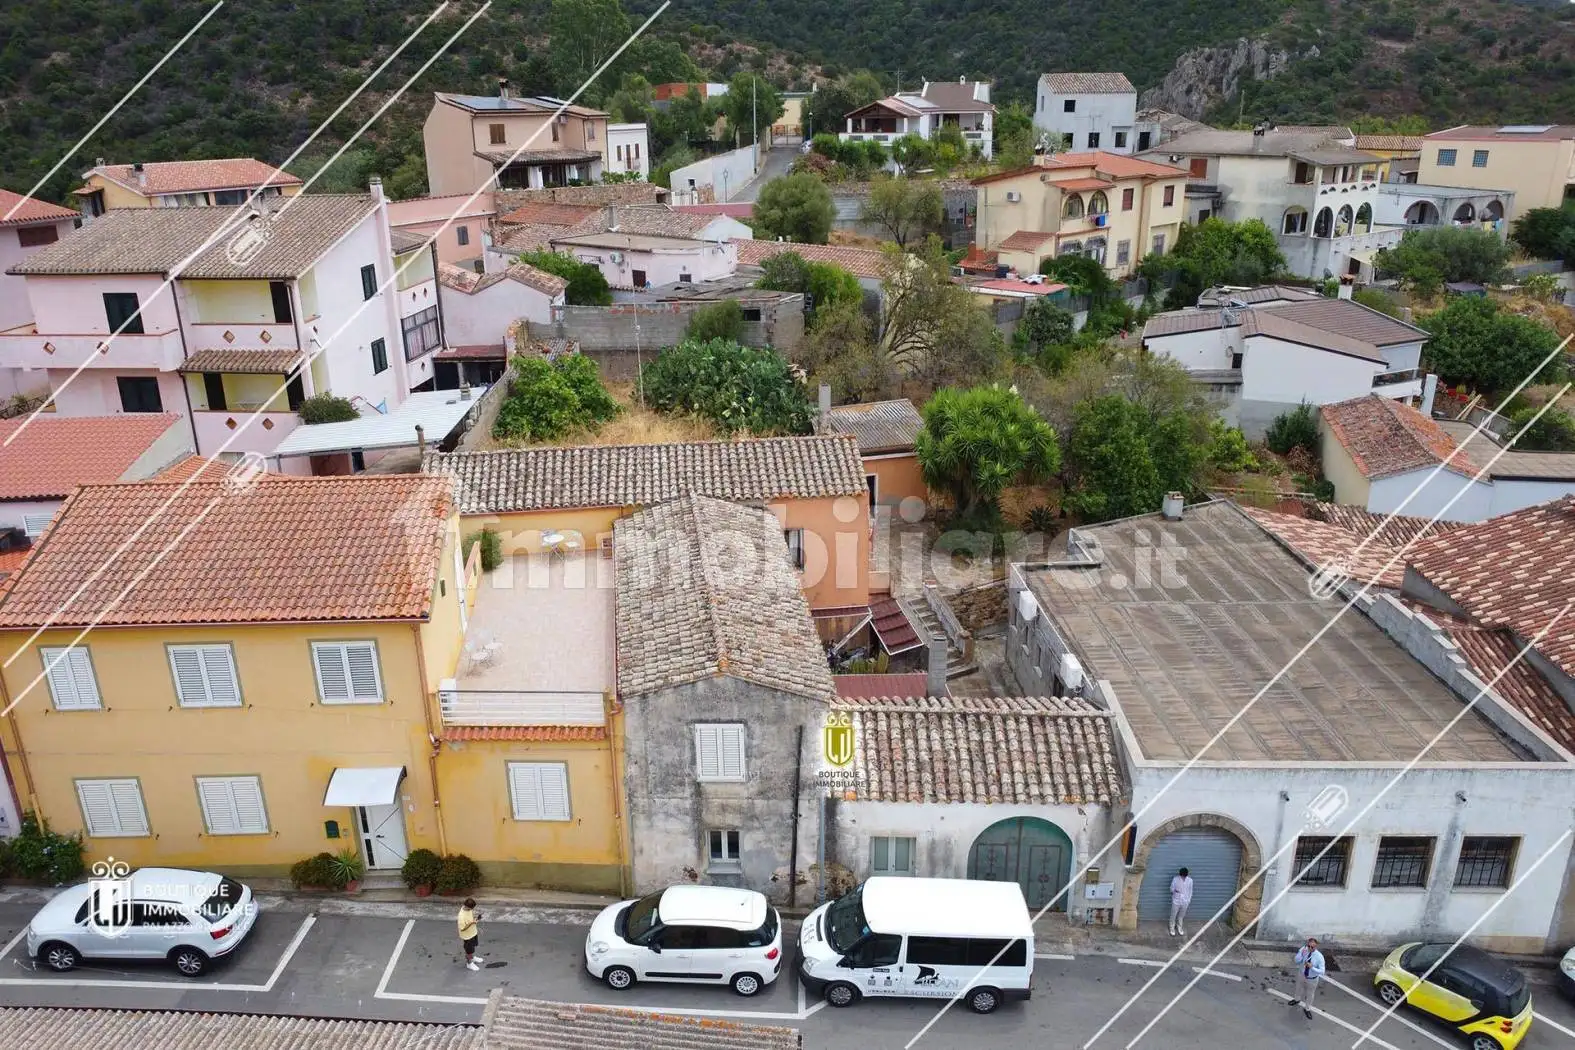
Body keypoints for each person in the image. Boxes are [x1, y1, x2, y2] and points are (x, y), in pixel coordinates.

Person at [1288, 937, 1325, 1018]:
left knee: (1310, 994)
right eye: (1309, 946)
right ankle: (1296, 1000)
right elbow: (1296, 960)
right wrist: (1302, 954)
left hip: (1312, 979)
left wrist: (1312, 968)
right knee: (1298, 988)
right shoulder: (1303, 950)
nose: (1310, 948)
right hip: (1302, 975)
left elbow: (1322, 971)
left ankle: (1307, 1008)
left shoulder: (1319, 957)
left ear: (1316, 947)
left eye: (1312, 947)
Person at [458, 898, 484, 971]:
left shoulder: (468, 909)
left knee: (472, 947)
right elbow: (462, 928)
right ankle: (469, 963)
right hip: (467, 936)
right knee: (468, 950)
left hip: (473, 932)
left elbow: (470, 917)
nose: (471, 910)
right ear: (466, 906)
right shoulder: (461, 916)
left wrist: (476, 919)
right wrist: (472, 923)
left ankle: (472, 958)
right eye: (471, 908)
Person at [1168, 867, 1193, 936]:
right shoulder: (1175, 879)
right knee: (1173, 915)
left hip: (1185, 901)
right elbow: (1171, 889)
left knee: (1181, 916)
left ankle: (1179, 927)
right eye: (1182, 876)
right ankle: (1172, 928)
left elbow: (1190, 891)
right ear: (1180, 874)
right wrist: (1175, 891)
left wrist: (1188, 900)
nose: (1183, 877)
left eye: (1184, 876)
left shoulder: (1190, 880)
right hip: (1176, 900)